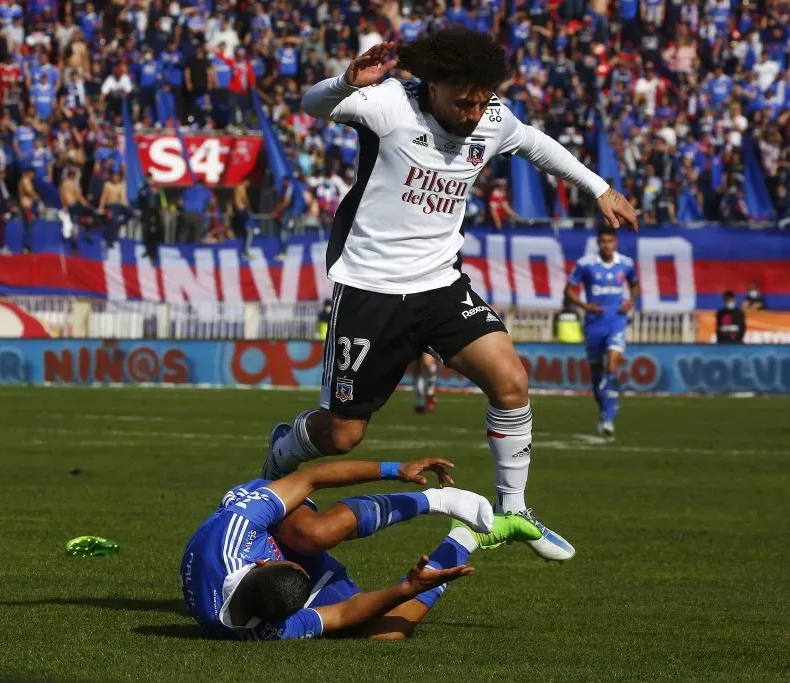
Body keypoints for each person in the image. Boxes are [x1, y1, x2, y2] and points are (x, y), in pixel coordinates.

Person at [265, 33, 637, 563]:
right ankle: (285, 444)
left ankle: (514, 511)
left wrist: (600, 188)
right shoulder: (391, 102)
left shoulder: (491, 116)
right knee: (343, 436)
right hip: (372, 288)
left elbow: (534, 142)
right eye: (464, 97)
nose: (474, 109)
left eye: (483, 97)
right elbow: (312, 104)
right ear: (432, 85)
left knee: (510, 381)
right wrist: (348, 81)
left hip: (440, 283)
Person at [181, 456, 540, 641]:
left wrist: (394, 469)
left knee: (315, 536)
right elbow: (339, 615)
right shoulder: (260, 632)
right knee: (388, 632)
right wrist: (405, 590)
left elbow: (310, 479)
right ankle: (467, 538)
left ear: (263, 561)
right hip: (271, 572)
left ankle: (438, 500)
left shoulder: (234, 531)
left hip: (270, 521)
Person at [563, 226, 640, 437]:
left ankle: (609, 418)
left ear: (615, 243)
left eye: (610, 241)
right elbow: (569, 290)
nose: (606, 245)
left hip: (617, 321)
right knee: (597, 375)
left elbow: (635, 284)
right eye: (603, 241)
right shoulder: (585, 265)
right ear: (598, 243)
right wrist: (585, 306)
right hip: (594, 323)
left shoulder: (626, 264)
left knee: (613, 364)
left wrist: (631, 301)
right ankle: (605, 409)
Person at [17, 167, 40, 254]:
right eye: (33, 173)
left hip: (28, 206)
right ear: (29, 172)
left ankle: (27, 247)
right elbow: (29, 191)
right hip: (27, 207)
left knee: (28, 226)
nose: (34, 176)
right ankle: (27, 248)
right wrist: (36, 195)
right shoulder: (25, 180)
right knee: (28, 227)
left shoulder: (26, 180)